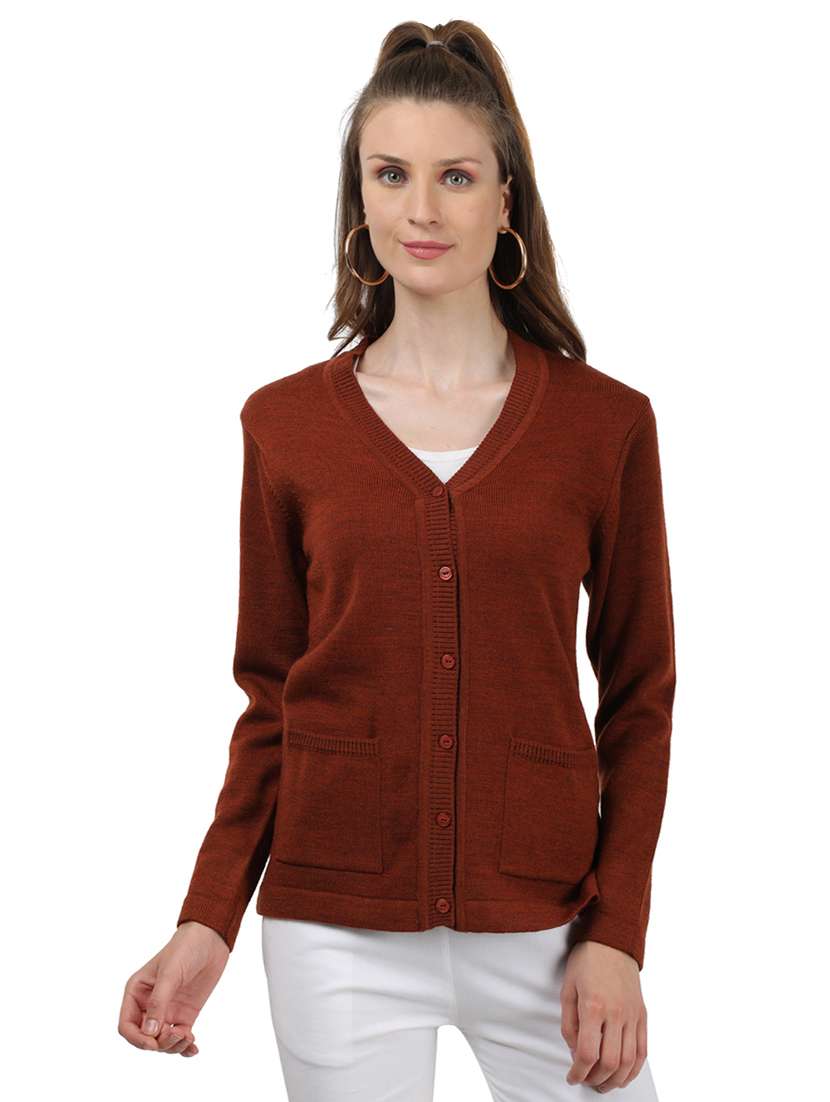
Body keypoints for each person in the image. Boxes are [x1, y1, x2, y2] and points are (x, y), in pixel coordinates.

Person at [119, 20, 675, 1100]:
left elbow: (640, 695)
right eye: (391, 175)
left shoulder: (602, 424)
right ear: (359, 199)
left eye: (455, 176)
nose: (422, 209)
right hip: (334, 931)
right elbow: (271, 699)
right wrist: (206, 917)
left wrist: (618, 932)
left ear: (504, 200)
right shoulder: (285, 425)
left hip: (549, 922)